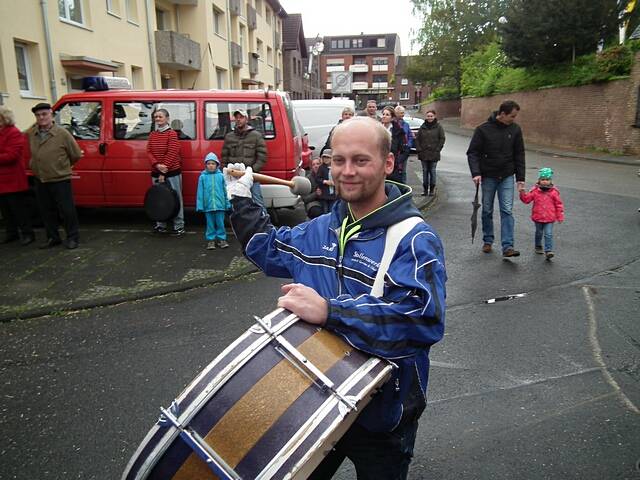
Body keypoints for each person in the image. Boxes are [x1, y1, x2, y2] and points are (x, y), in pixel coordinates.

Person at [224, 116, 446, 480]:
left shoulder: (414, 239)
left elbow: (421, 319)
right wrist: (244, 198)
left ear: (388, 164)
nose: (347, 171)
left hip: (383, 413)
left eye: (361, 160)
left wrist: (330, 311)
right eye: (338, 159)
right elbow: (266, 249)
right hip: (316, 405)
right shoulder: (321, 228)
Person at [467, 100, 525, 258]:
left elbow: (519, 154)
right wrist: (476, 173)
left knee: (507, 210)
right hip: (488, 176)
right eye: (512, 116)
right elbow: (472, 153)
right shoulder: (483, 130)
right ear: (503, 114)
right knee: (487, 210)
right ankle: (488, 240)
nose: (514, 119)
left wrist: (520, 178)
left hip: (506, 175)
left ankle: (508, 246)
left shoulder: (515, 130)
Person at [26, 102, 82, 249]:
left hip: (60, 178)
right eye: (38, 115)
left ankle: (72, 238)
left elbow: (75, 154)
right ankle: (53, 237)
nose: (41, 117)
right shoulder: (32, 133)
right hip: (40, 178)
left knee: (67, 210)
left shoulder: (62, 134)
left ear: (51, 114)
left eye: (44, 114)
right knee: (46, 210)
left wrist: (60, 166)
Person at [222, 108, 268, 214]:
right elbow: (224, 157)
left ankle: (265, 224)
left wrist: (252, 171)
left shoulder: (256, 136)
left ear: (246, 119)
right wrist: (226, 172)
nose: (238, 120)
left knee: (257, 201)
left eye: (241, 117)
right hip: (235, 178)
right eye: (236, 118)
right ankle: (242, 227)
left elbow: (262, 156)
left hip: (252, 176)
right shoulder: (229, 137)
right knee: (236, 204)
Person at [0, 106, 35, 246]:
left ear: (4, 118)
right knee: (5, 210)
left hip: (12, 179)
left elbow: (12, 156)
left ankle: (27, 233)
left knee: (18, 209)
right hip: (2, 179)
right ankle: (11, 233)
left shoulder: (13, 132)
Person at [147, 108, 185, 236]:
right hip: (156, 171)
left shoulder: (172, 134)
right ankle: (160, 225)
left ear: (167, 118)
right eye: (156, 117)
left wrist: (164, 170)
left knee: (176, 199)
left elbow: (173, 152)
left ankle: (179, 226)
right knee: (158, 199)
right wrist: (157, 165)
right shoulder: (152, 135)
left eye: (160, 117)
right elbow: (149, 152)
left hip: (172, 172)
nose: (158, 119)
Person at [518, 167, 564, 259]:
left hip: (550, 218)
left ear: (550, 180)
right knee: (539, 232)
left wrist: (560, 216)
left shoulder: (554, 192)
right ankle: (538, 245)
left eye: (547, 180)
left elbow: (559, 205)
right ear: (539, 180)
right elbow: (526, 200)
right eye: (542, 179)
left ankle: (548, 251)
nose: (545, 182)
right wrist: (522, 192)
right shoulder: (535, 191)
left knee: (548, 234)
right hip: (538, 217)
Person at [196, 152, 231, 250]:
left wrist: (227, 203)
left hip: (220, 206)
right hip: (208, 206)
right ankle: (210, 240)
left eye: (213, 163)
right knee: (210, 224)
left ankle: (222, 239)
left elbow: (225, 191)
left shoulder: (221, 176)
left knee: (220, 223)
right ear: (206, 165)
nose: (211, 166)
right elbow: (200, 192)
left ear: (217, 165)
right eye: (208, 164)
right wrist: (200, 205)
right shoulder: (202, 177)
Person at [415, 109, 446, 196]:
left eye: (431, 116)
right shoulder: (422, 127)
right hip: (423, 154)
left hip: (434, 154)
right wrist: (419, 149)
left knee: (432, 171)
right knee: (425, 171)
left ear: (434, 116)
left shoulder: (439, 127)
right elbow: (417, 139)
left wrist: (438, 149)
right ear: (426, 117)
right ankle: (425, 190)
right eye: (428, 116)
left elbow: (442, 139)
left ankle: (432, 190)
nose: (430, 118)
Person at [380, 106, 406, 184]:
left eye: (387, 115)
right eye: (383, 114)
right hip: (379, 162)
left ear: (392, 118)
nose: (384, 116)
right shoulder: (377, 129)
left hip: (393, 164)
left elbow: (404, 149)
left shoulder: (398, 130)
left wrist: (398, 161)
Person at [394, 105, 415, 184]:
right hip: (396, 150)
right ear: (396, 113)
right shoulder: (393, 124)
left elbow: (410, 135)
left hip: (404, 150)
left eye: (403, 113)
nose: (403, 114)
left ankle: (404, 186)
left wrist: (408, 145)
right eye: (401, 113)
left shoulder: (406, 124)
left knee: (403, 170)